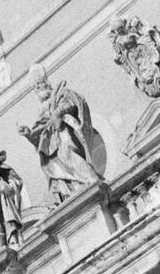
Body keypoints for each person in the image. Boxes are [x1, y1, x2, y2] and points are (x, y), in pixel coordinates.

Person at [18, 68, 105, 206]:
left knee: (70, 155)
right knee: (55, 171)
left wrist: (57, 112)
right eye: (35, 87)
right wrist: (29, 134)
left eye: (39, 85)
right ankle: (70, 193)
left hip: (64, 134)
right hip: (52, 149)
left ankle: (92, 180)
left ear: (45, 83)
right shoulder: (42, 109)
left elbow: (70, 104)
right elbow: (40, 132)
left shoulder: (59, 94)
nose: (37, 89)